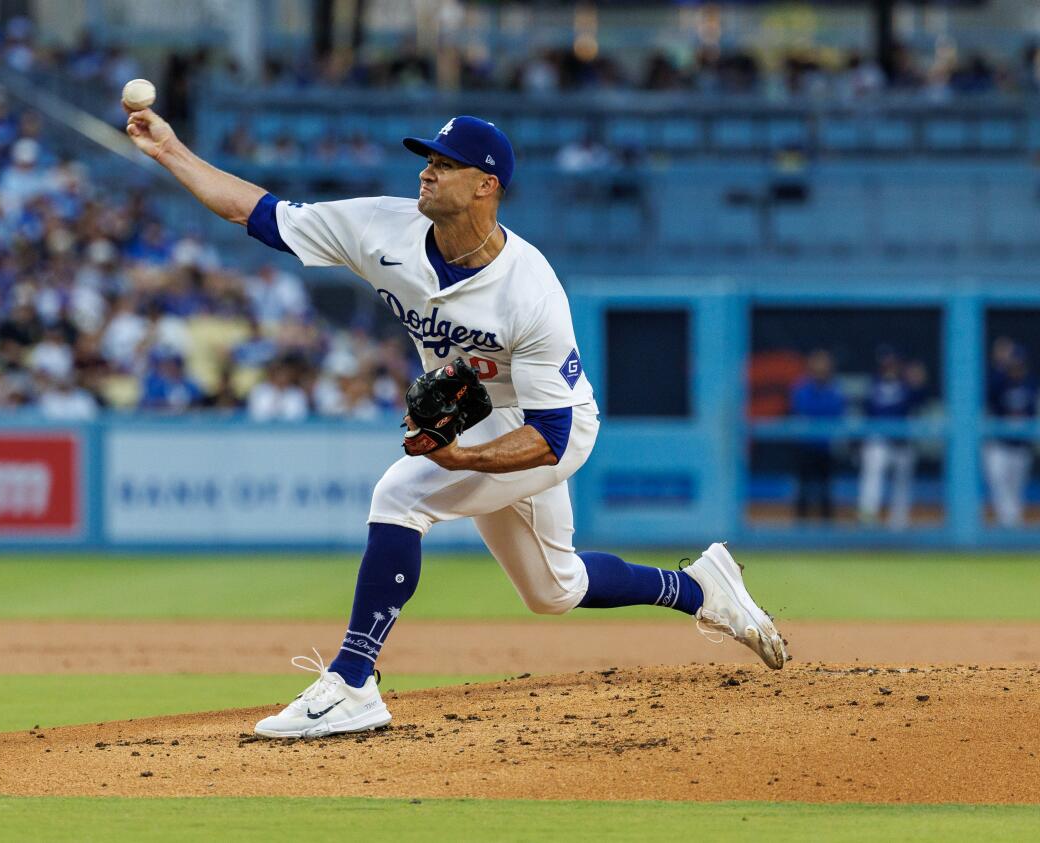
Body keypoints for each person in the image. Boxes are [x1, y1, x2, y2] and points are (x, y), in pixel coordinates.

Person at [124, 105, 788, 739]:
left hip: (546, 426)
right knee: (553, 589)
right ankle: (699, 586)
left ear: (485, 185)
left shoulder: (530, 291)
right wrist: (171, 150)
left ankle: (353, 681)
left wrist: (459, 460)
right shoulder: (382, 227)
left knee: (399, 495)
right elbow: (254, 210)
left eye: (445, 161)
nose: (427, 170)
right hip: (470, 406)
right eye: (427, 157)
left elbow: (550, 437)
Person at [857, 346, 926, 529]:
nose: (890, 366)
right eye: (886, 363)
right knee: (872, 477)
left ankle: (899, 521)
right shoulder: (874, 384)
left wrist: (918, 384)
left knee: (902, 483)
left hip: (902, 441)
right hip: (878, 440)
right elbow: (867, 412)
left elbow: (919, 403)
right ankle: (868, 518)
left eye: (893, 363)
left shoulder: (907, 386)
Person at [983, 343, 1036, 527]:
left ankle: (1013, 524)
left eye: (1019, 363)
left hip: (1020, 446)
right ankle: (1006, 523)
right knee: (998, 484)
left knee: (1016, 489)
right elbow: (988, 392)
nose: (1016, 367)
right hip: (999, 445)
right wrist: (1000, 364)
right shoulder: (1000, 383)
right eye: (1013, 363)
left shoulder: (1030, 385)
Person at [789, 349, 846, 521]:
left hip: (826, 448)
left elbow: (836, 412)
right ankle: (799, 534)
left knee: (826, 493)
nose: (821, 367)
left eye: (824, 363)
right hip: (805, 447)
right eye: (818, 363)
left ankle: (828, 536)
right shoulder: (802, 388)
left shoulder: (835, 389)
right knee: (803, 492)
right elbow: (801, 410)